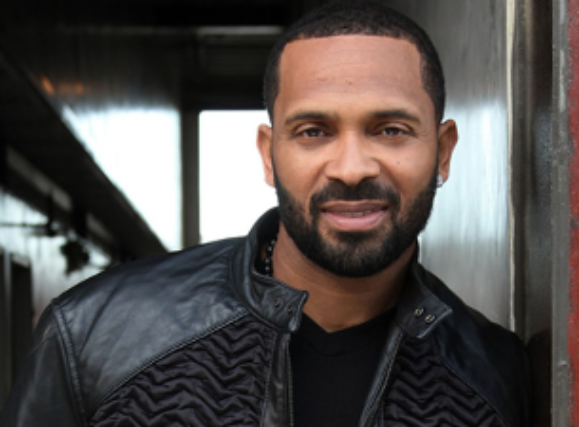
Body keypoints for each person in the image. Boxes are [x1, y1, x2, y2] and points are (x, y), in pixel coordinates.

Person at [0, 1, 532, 426]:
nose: (351, 168)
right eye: (313, 131)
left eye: (391, 130)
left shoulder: (497, 377)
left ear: (442, 152)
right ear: (268, 154)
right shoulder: (95, 336)